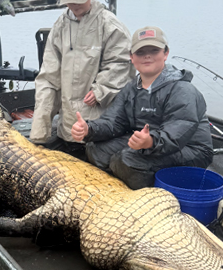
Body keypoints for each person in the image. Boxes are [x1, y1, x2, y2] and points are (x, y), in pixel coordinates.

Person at [70, 26, 213, 189]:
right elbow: (113, 122)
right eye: (140, 52)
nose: (147, 56)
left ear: (165, 53)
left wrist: (151, 141)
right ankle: (121, 184)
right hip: (147, 142)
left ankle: (147, 194)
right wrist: (89, 129)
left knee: (128, 160)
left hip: (191, 149)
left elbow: (178, 132)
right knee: (96, 149)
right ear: (131, 57)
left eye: (154, 50)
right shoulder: (130, 88)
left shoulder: (183, 90)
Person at [30, 0, 132, 150]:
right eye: (70, 1)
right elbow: (48, 78)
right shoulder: (60, 25)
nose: (74, 5)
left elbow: (121, 64)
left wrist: (101, 90)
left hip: (100, 125)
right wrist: (39, 133)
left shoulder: (110, 25)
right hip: (67, 124)